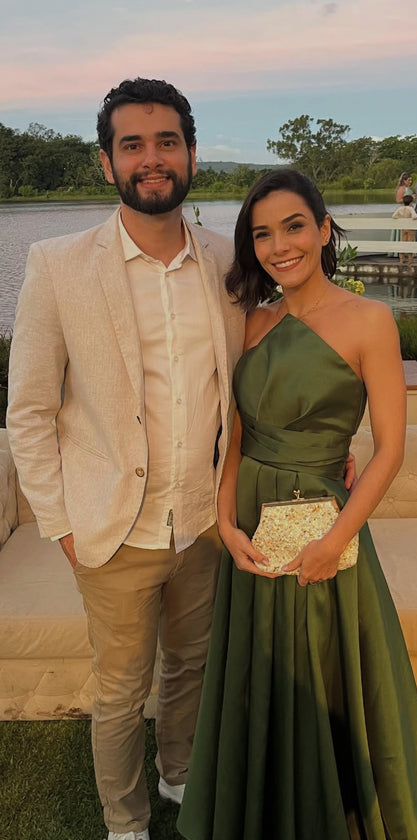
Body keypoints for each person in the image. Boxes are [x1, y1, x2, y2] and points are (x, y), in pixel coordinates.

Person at [177, 170, 417, 840]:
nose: (279, 246)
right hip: (251, 521)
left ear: (324, 230)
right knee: (258, 667)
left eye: (294, 226)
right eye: (262, 234)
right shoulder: (253, 322)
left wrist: (337, 539)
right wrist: (224, 521)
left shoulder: (369, 321)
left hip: (324, 522)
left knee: (322, 665)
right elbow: (237, 436)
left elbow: (390, 449)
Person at [6, 77, 245, 840]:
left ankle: (178, 774)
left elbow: (254, 383)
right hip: (110, 528)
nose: (152, 159)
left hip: (204, 522)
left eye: (167, 142)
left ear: (192, 155)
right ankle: (124, 822)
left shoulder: (228, 263)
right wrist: (61, 523)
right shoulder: (58, 265)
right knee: (118, 690)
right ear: (106, 162)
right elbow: (29, 411)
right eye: (132, 145)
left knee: (190, 667)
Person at [392, 193, 417, 262]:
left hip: (403, 228)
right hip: (410, 228)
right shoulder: (410, 208)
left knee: (403, 242)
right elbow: (415, 216)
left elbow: (394, 216)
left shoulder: (400, 208)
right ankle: (410, 259)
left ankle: (402, 258)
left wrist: (400, 218)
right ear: (411, 202)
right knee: (410, 243)